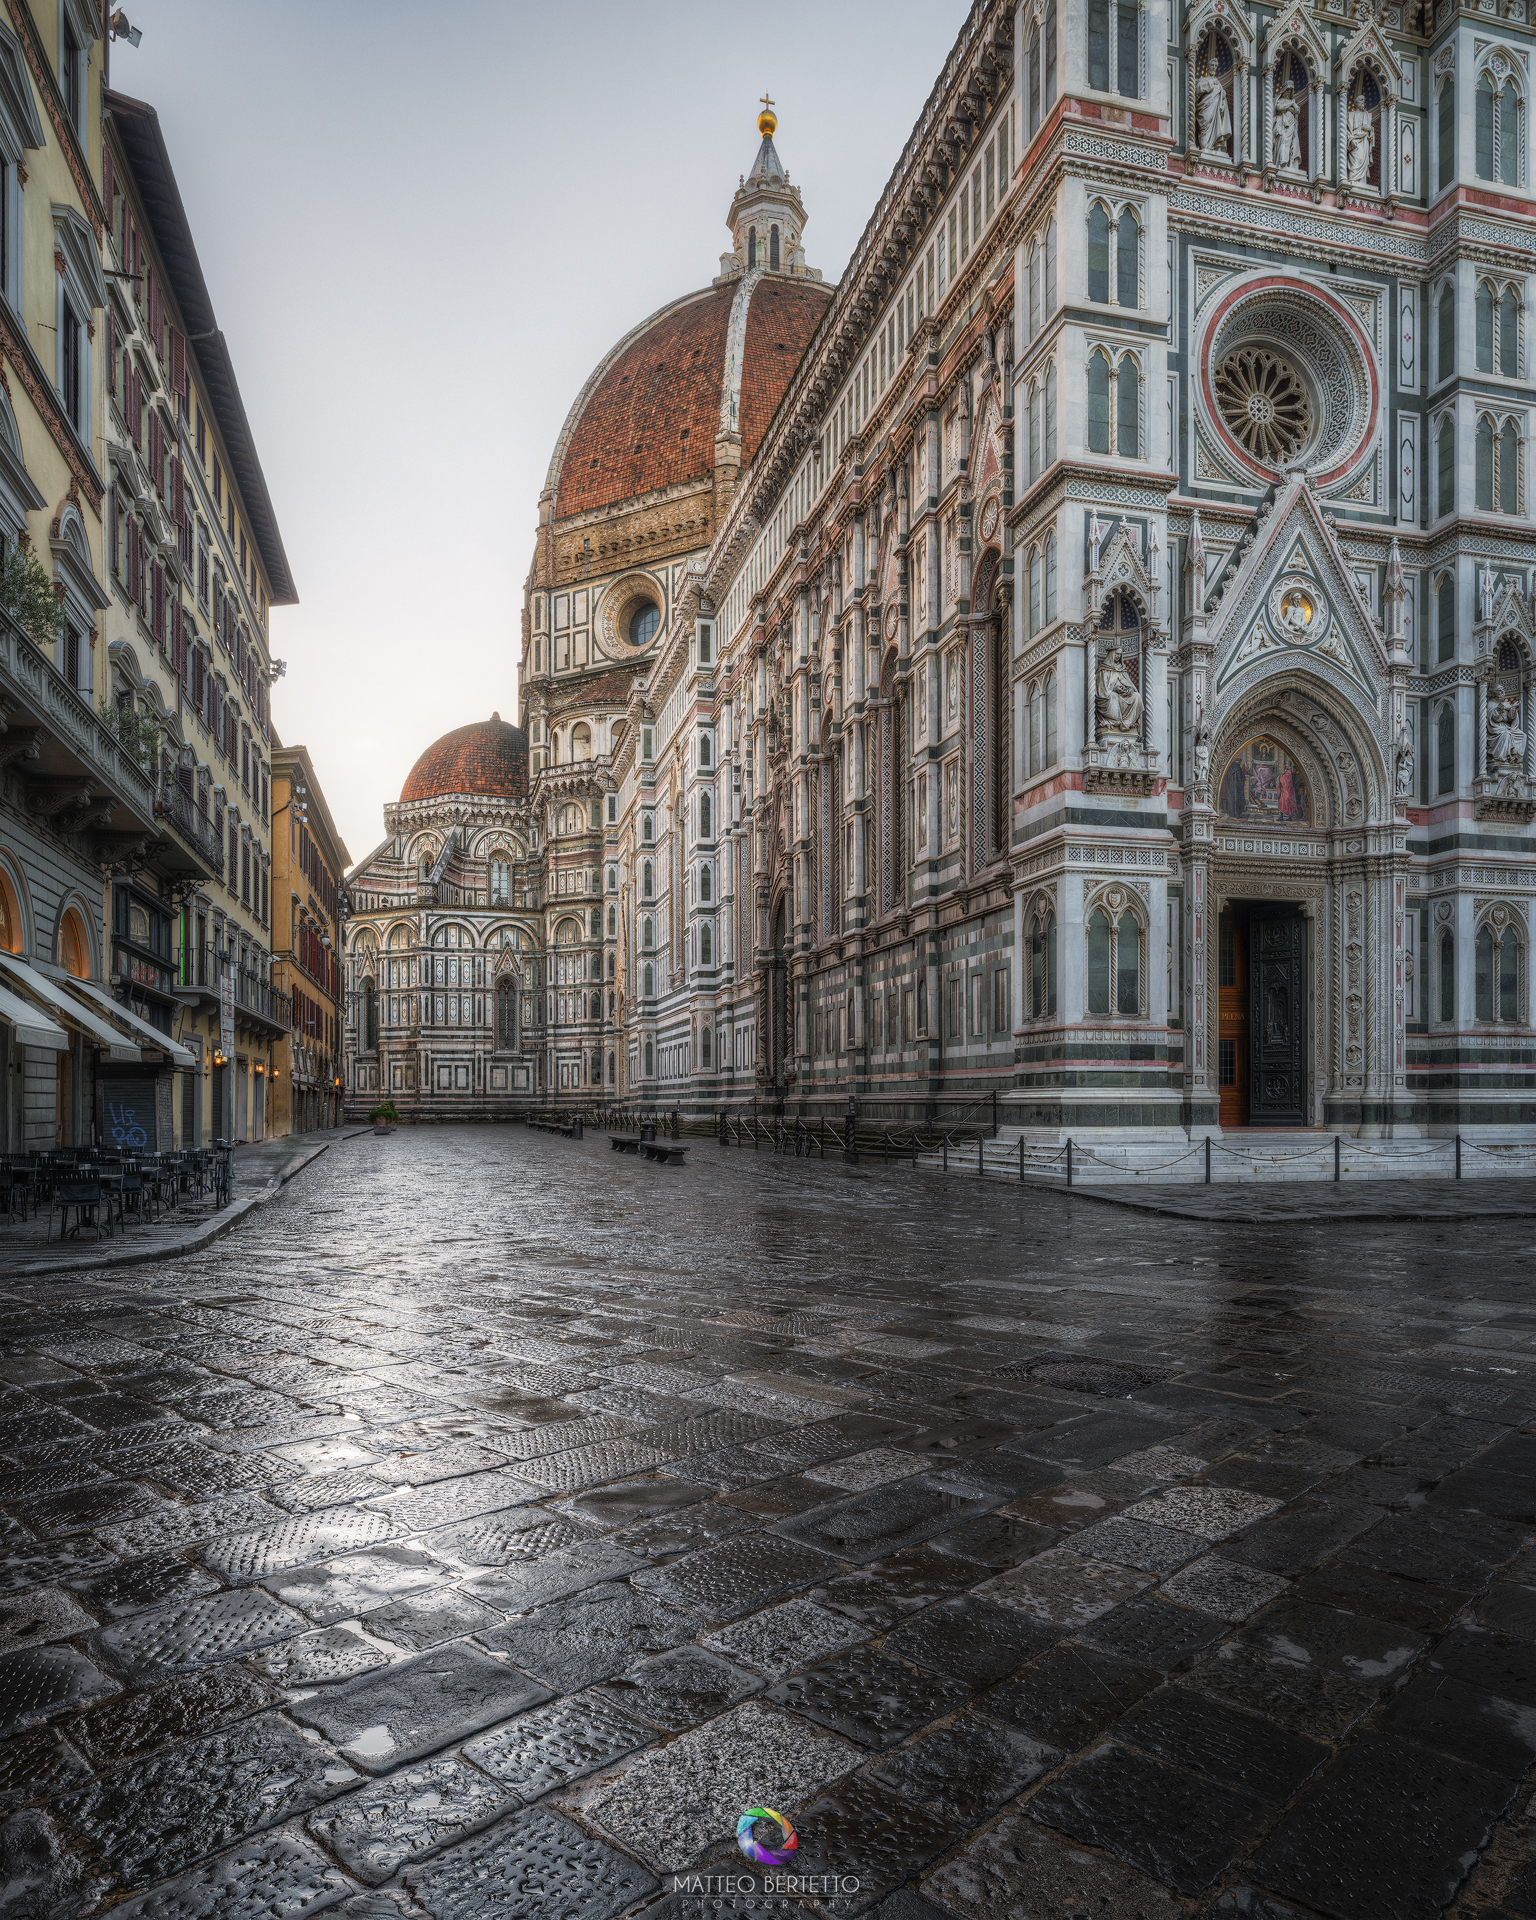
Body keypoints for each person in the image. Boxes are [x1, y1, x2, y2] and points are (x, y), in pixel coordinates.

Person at [1274, 86, 1301, 170]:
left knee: (1290, 142)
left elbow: (1297, 110)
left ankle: (1288, 162)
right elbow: (1279, 108)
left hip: (1291, 123)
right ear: (1284, 91)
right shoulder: (1280, 101)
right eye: (1287, 90)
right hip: (1282, 123)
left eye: (1290, 91)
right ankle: (1282, 160)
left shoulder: (1292, 102)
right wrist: (1290, 104)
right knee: (1283, 139)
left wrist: (1292, 105)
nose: (1289, 92)